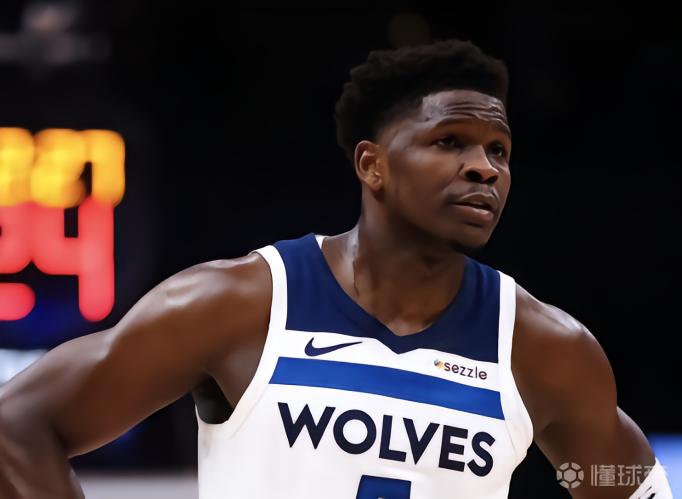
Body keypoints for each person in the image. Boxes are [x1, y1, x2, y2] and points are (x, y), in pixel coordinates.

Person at [0, 39, 672, 499]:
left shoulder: (543, 346)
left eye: (499, 150)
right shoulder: (238, 304)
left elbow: (622, 481)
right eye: (450, 142)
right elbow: (17, 425)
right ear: (372, 165)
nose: (484, 168)